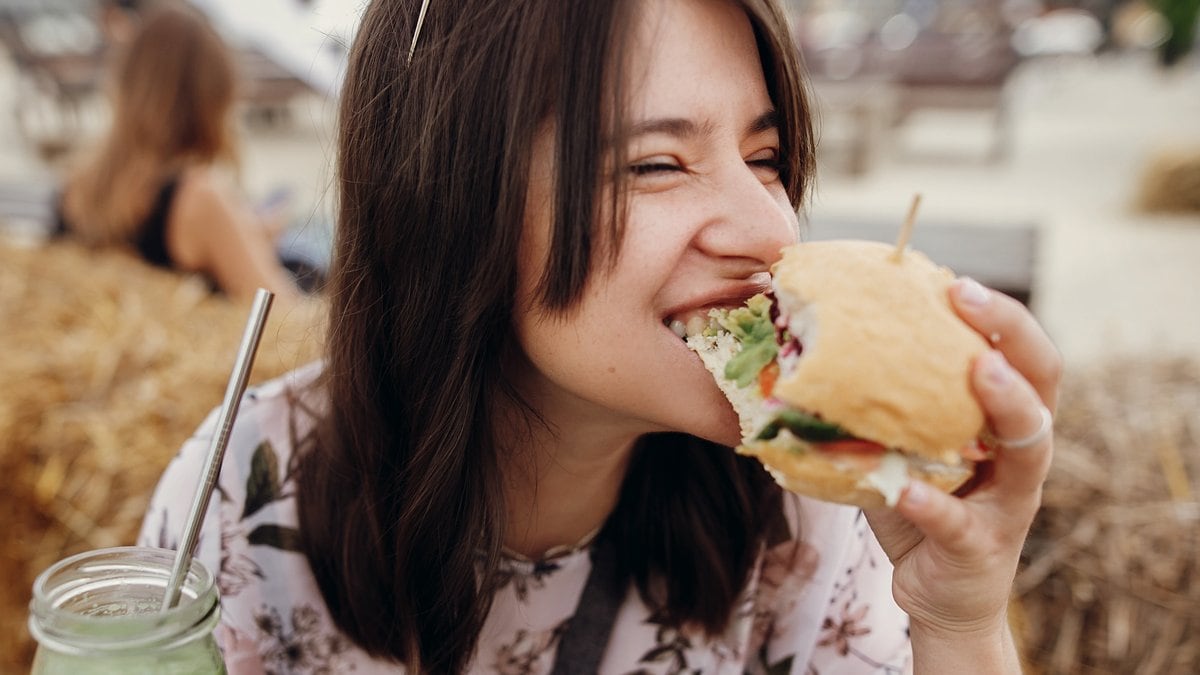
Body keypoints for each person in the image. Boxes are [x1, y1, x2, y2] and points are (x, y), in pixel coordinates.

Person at [137, 0, 1061, 672]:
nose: (774, 232)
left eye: (765, 157)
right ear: (454, 204)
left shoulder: (816, 502)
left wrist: (959, 622)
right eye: (658, 163)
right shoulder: (241, 498)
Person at [56, 2, 305, 303]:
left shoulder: (76, 186)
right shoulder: (200, 196)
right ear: (211, 100)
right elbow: (284, 316)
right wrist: (249, 241)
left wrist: (242, 233)